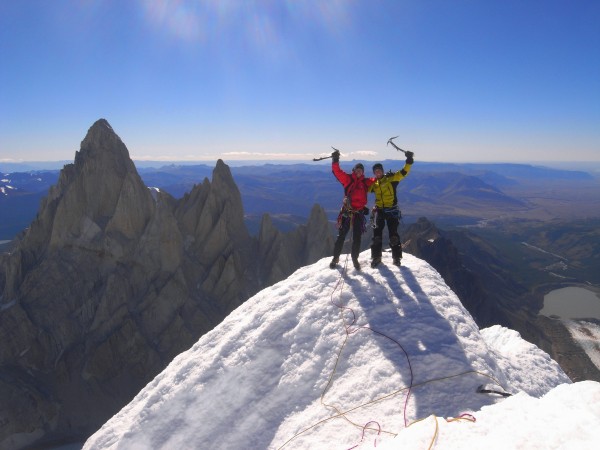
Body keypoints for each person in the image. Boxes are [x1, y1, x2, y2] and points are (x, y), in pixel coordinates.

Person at [329, 149, 374, 270]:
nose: (359, 172)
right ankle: (335, 258)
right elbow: (337, 172)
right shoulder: (348, 179)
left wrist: (385, 177)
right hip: (348, 212)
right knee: (341, 236)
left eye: (361, 171)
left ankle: (355, 259)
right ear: (353, 171)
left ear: (363, 172)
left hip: (358, 212)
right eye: (357, 170)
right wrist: (335, 160)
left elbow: (377, 181)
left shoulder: (365, 182)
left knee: (357, 238)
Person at [368, 151, 414, 267]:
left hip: (391, 211)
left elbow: (404, 172)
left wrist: (408, 161)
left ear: (382, 171)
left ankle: (397, 258)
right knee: (377, 235)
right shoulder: (374, 184)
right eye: (376, 171)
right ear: (374, 173)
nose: (378, 173)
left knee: (393, 235)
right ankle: (376, 257)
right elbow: (362, 189)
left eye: (379, 170)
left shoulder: (391, 179)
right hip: (379, 211)